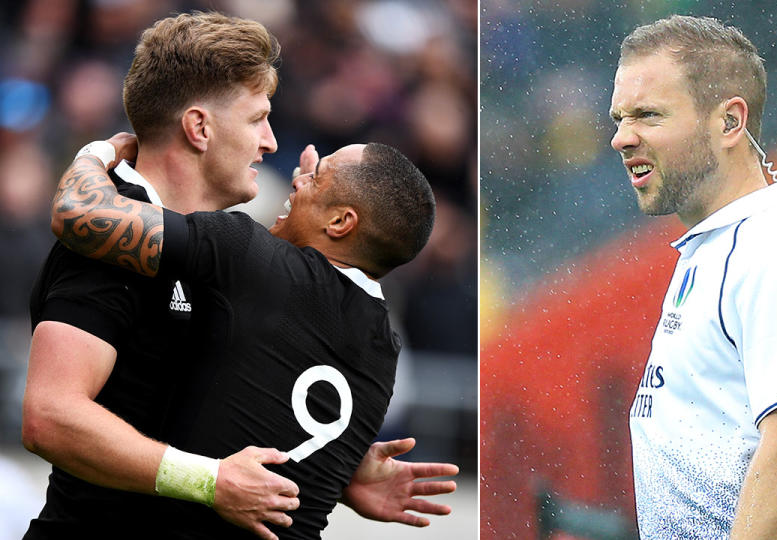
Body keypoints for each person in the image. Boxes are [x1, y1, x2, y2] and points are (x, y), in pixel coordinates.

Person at [22, 12, 454, 540]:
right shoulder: (114, 245)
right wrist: (210, 479)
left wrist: (331, 469)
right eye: (257, 119)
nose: (272, 143)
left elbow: (219, 389)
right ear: (200, 127)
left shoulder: (232, 257)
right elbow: (50, 416)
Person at [609, 15, 777, 539]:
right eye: (618, 118)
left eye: (648, 115)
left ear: (729, 122)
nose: (621, 138)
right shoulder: (715, 250)